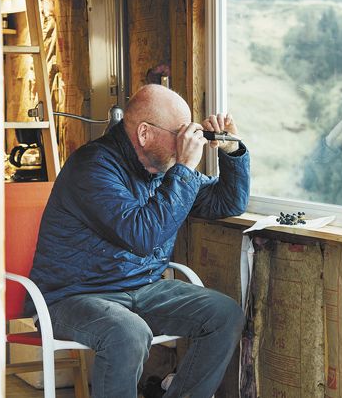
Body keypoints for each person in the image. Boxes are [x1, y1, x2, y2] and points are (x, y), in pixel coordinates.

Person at [29, 84, 251, 398]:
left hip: (142, 288)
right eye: (179, 132)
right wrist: (186, 168)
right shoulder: (93, 167)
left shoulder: (162, 168)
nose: (185, 141)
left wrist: (233, 150)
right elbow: (142, 236)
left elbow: (228, 202)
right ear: (144, 133)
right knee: (127, 333)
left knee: (224, 315)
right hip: (71, 296)